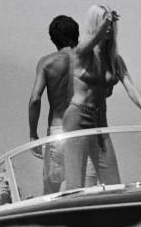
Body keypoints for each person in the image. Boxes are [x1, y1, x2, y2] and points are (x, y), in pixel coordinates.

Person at [63, 4, 141, 189]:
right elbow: (93, 40)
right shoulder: (81, 52)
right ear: (95, 24)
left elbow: (130, 86)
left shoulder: (115, 59)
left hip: (100, 119)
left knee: (113, 181)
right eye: (103, 22)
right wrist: (107, 20)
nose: (108, 27)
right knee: (76, 182)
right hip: (77, 118)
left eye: (110, 24)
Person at [28, 15, 97, 194]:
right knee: (86, 199)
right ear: (76, 34)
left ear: (53, 39)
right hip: (85, 131)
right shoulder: (89, 60)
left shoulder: (47, 62)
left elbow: (35, 98)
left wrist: (33, 134)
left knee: (51, 197)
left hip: (58, 132)